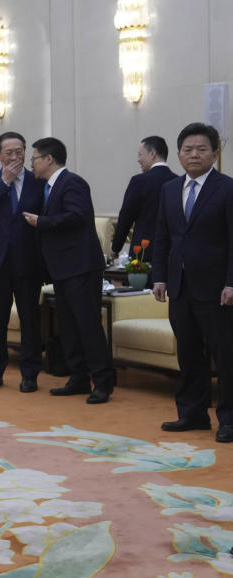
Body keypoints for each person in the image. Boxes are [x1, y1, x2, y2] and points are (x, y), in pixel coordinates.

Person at [152, 122, 233, 443]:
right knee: (188, 353)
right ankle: (192, 414)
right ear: (179, 154)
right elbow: (162, 238)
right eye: (188, 149)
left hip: (217, 290)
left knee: (224, 356)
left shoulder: (227, 188)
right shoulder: (169, 189)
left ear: (215, 153)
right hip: (179, 286)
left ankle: (228, 418)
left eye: (201, 149)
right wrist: (159, 276)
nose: (194, 155)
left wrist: (231, 282)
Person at [23, 137, 115, 404]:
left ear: (48, 159)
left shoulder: (72, 182)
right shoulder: (49, 187)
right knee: (69, 325)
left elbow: (78, 216)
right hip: (62, 268)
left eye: (34, 158)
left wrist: (42, 221)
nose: (32, 164)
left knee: (87, 325)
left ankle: (103, 382)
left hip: (81, 266)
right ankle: (78, 377)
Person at [0, 131, 45, 393]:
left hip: (29, 260)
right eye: (9, 153)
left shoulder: (39, 181)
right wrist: (4, 182)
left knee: (29, 319)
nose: (15, 157)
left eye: (19, 151)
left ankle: (30, 374)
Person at [110, 136, 177, 268]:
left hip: (143, 254)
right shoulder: (178, 182)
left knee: (143, 289)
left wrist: (115, 248)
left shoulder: (139, 181)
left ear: (153, 154)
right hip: (172, 252)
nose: (138, 159)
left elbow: (126, 217)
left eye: (140, 155)